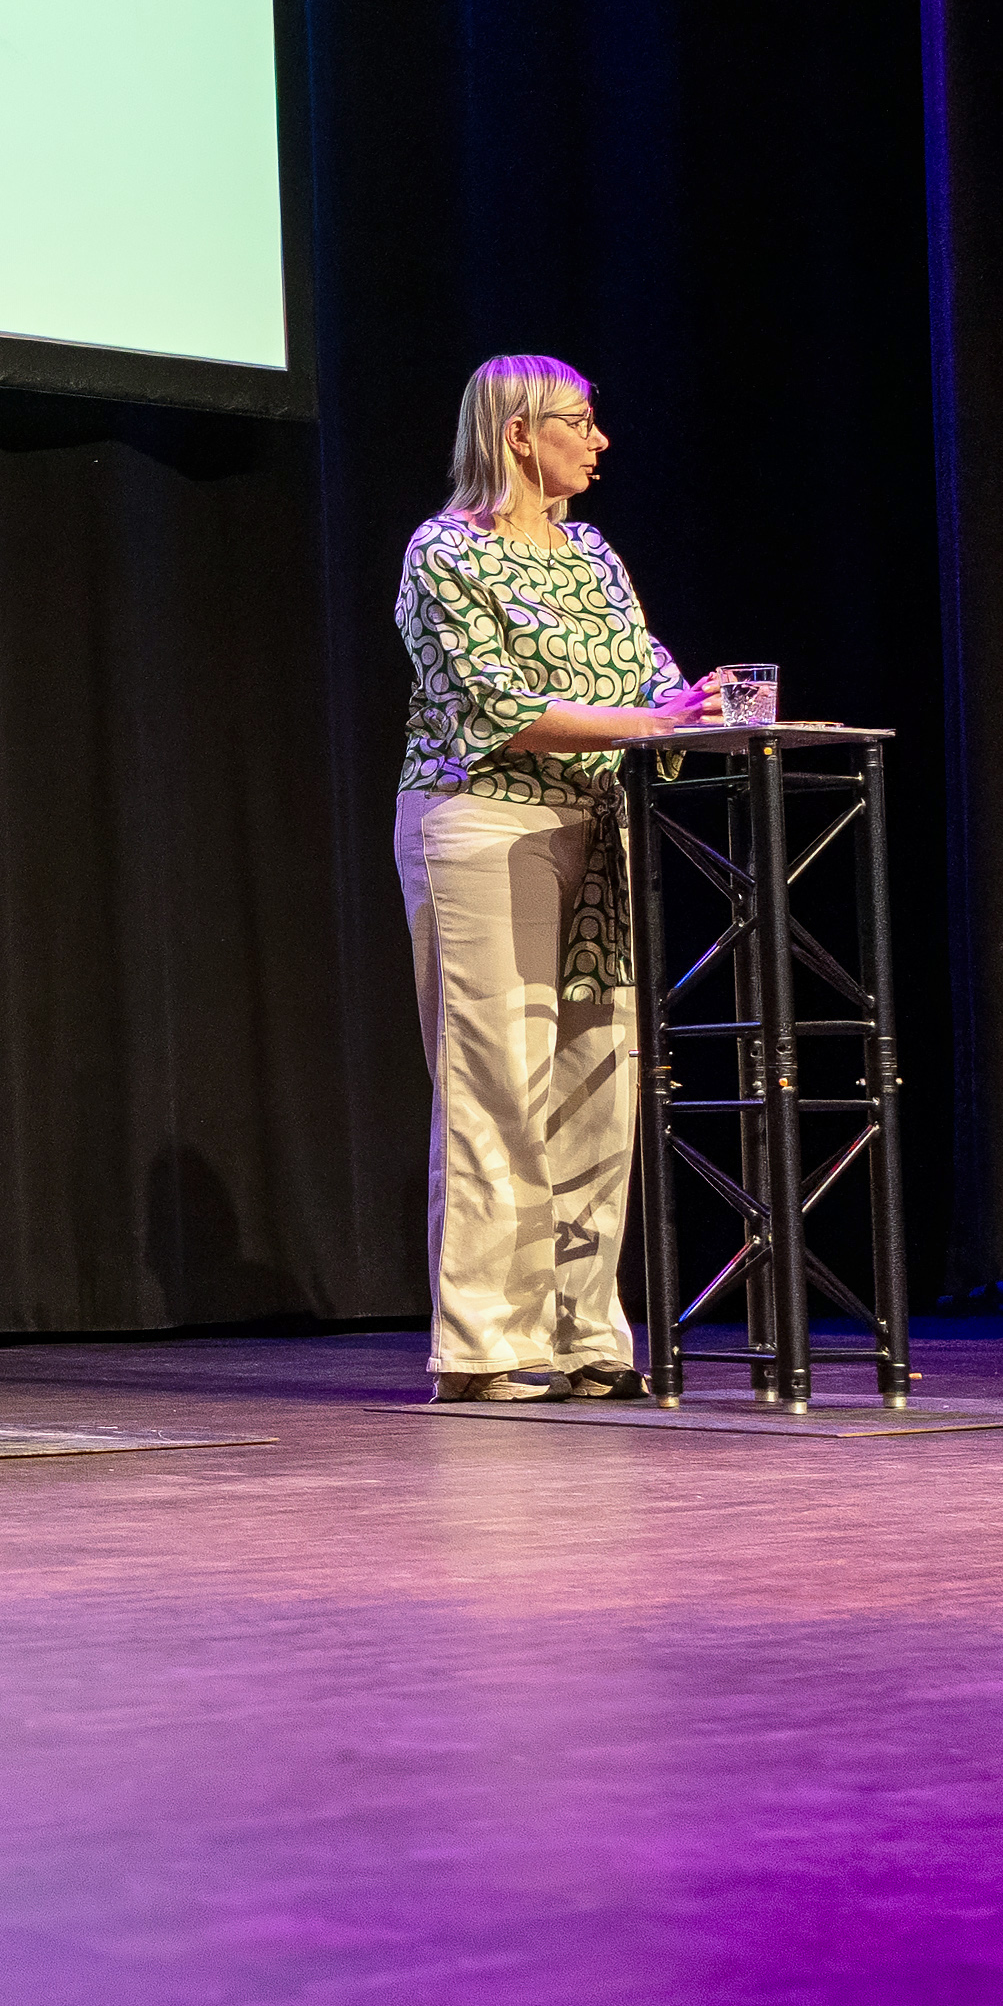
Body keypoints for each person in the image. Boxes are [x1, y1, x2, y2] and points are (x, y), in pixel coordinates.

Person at [390, 358, 708, 1403]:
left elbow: (644, 667)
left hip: (594, 822)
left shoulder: (590, 552)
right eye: (581, 422)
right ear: (520, 433)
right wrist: (656, 721)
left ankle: (581, 1332)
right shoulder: (444, 553)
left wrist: (700, 704)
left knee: (591, 1080)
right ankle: (485, 1342)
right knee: (497, 1079)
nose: (599, 439)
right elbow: (494, 704)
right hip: (485, 821)